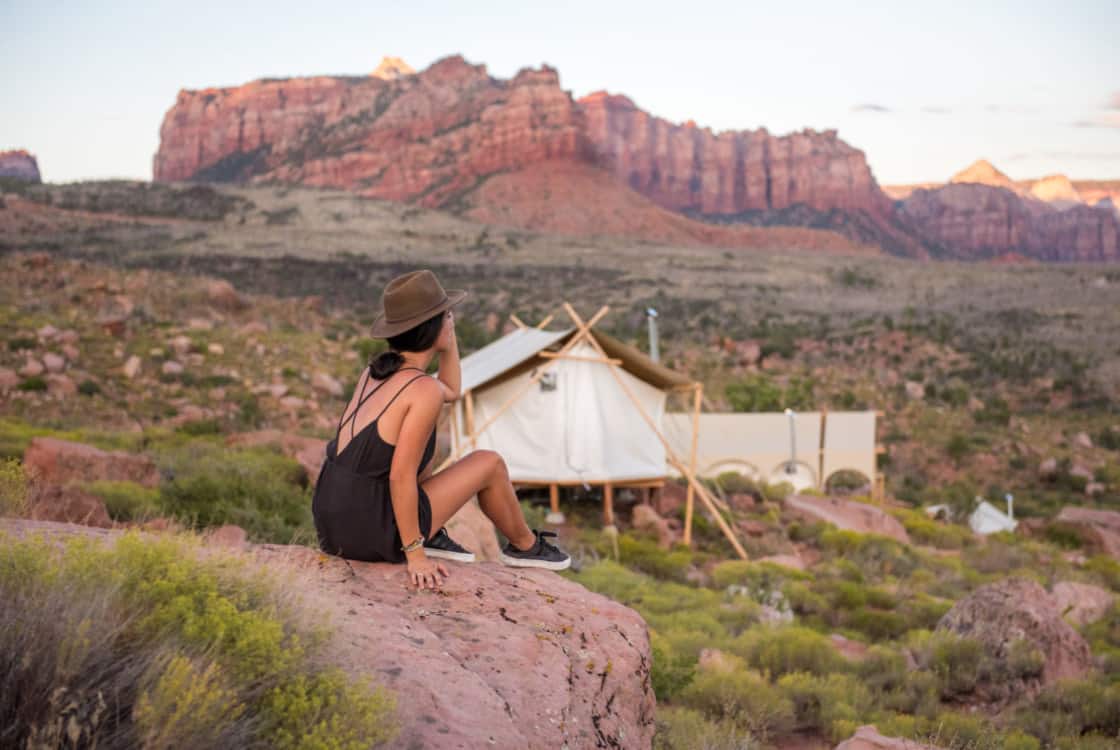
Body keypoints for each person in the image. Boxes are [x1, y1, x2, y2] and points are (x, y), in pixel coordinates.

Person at [312, 269, 571, 591]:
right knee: (489, 463)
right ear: (432, 327)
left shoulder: (375, 374)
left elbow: (451, 388)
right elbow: (400, 476)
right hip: (371, 529)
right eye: (447, 316)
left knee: (422, 440)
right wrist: (415, 555)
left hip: (331, 524)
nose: (453, 320)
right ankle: (525, 546)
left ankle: (430, 531)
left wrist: (447, 342)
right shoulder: (422, 390)